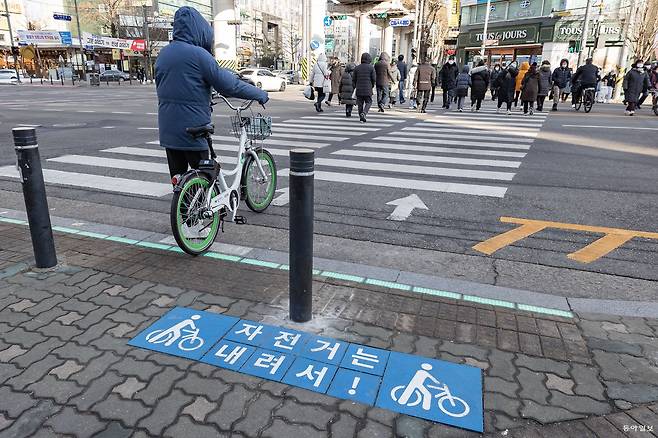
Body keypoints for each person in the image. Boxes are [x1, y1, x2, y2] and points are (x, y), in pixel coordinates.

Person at [155, 6, 268, 179]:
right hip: (193, 129)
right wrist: (259, 93)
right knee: (205, 181)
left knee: (180, 182)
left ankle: (182, 204)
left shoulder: (163, 54)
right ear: (199, 29)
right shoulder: (199, 55)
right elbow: (229, 85)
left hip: (168, 130)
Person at [352, 52, 376, 123]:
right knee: (369, 102)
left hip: (359, 88)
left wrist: (355, 86)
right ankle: (364, 113)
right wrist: (372, 86)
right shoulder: (371, 68)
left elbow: (353, 79)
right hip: (368, 88)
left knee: (360, 103)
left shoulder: (357, 68)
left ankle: (360, 116)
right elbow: (374, 79)